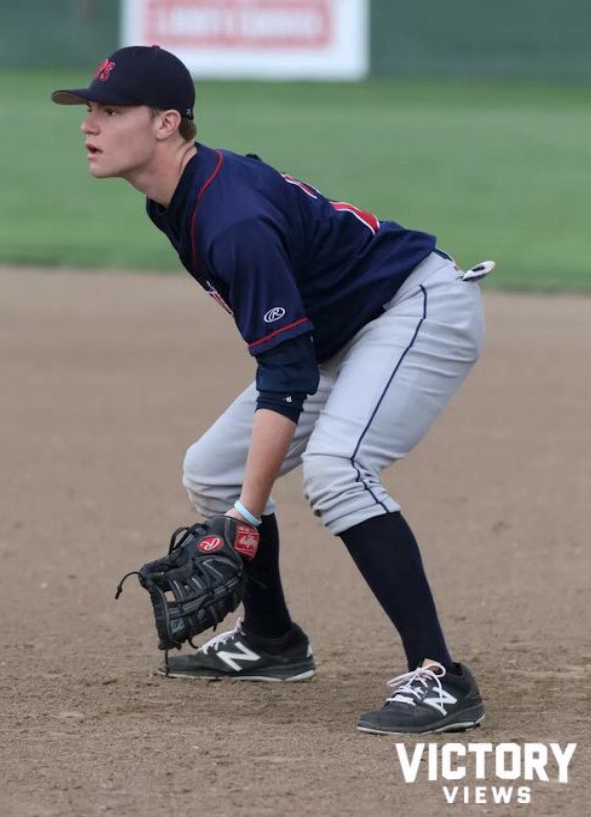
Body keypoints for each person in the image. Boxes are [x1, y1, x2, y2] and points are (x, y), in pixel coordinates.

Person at [52, 45, 492, 735]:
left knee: (336, 471)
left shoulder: (230, 221)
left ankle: (440, 676)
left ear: (167, 123)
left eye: (110, 111)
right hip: (340, 335)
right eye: (89, 110)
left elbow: (285, 373)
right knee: (212, 468)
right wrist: (237, 503)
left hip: (414, 308)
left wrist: (244, 520)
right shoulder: (175, 198)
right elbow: (287, 360)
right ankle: (271, 639)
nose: (89, 124)